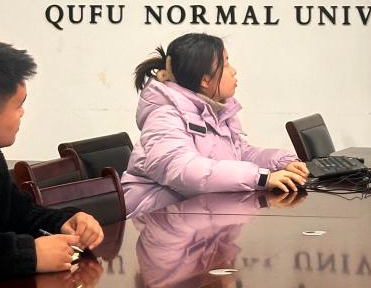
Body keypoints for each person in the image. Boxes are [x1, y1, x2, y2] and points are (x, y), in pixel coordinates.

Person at [122, 33, 309, 216]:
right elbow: (184, 171)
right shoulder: (165, 117)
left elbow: (240, 153)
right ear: (205, 80)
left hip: (196, 214)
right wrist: (260, 177)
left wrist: (283, 162)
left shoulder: (213, 111)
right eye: (226, 64)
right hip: (157, 218)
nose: (234, 71)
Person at [0, 36, 104, 280]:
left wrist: (63, 221)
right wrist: (27, 254)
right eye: (18, 105)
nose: (22, 113)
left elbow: (20, 213)